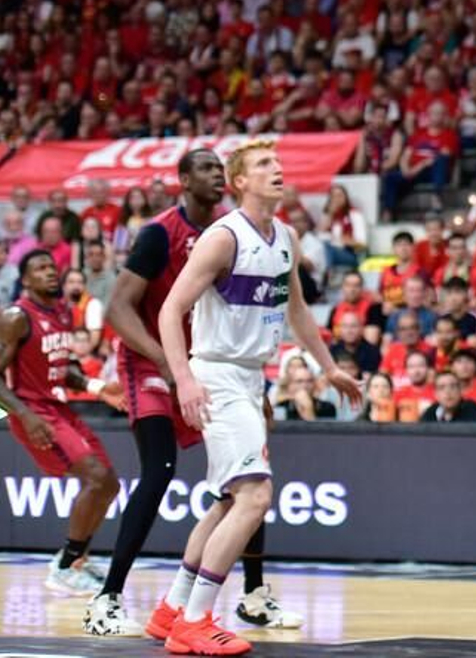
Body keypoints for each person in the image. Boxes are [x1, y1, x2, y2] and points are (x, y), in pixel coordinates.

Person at [152, 139, 360, 656]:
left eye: (279, 163)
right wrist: (185, 379)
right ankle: (197, 620)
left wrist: (329, 368)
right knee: (255, 497)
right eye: (265, 164)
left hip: (250, 377)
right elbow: (170, 310)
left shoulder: (286, 236)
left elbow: (298, 313)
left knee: (228, 500)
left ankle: (172, 608)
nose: (278, 169)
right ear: (240, 181)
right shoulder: (223, 239)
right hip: (218, 374)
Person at [92, 150, 302, 636]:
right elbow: (118, 309)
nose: (214, 175)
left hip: (214, 362)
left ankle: (248, 594)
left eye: (217, 167)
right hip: (155, 358)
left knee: (243, 480)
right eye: (205, 168)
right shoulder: (160, 233)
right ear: (184, 180)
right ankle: (110, 596)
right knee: (169, 470)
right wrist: (171, 366)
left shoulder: (243, 232)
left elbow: (286, 309)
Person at [0, 252, 124, 598]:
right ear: (25, 280)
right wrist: (25, 416)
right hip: (33, 411)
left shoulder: (61, 311)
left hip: (58, 407)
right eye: (39, 269)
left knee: (110, 485)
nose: (49, 272)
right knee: (95, 478)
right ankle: (64, 566)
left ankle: (75, 560)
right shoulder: (16, 316)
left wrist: (97, 387)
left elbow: (62, 369)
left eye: (51, 267)